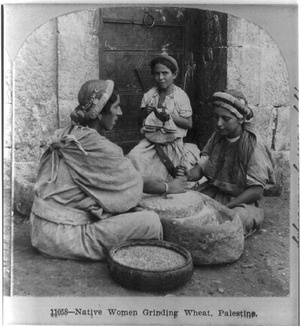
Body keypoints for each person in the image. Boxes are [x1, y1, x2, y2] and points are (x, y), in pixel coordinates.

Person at [30, 79, 186, 261]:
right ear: (100, 114)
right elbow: (134, 184)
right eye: (116, 107)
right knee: (150, 222)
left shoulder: (67, 132)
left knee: (119, 207)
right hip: (64, 236)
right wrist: (169, 187)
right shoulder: (100, 147)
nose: (120, 112)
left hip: (40, 229)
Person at [176, 89, 276, 237]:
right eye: (216, 117)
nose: (219, 123)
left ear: (240, 119)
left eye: (225, 118)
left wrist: (225, 208)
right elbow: (201, 167)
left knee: (232, 222)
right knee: (184, 207)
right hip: (214, 192)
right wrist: (188, 175)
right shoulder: (218, 136)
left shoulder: (252, 144)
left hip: (243, 201)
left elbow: (256, 190)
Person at [127, 53, 199, 181]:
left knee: (173, 173)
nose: (160, 77)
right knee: (133, 158)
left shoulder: (180, 96)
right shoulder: (149, 95)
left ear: (174, 75)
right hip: (151, 144)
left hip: (173, 145)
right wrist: (146, 112)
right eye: (156, 73)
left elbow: (188, 124)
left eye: (165, 73)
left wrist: (169, 115)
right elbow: (140, 121)